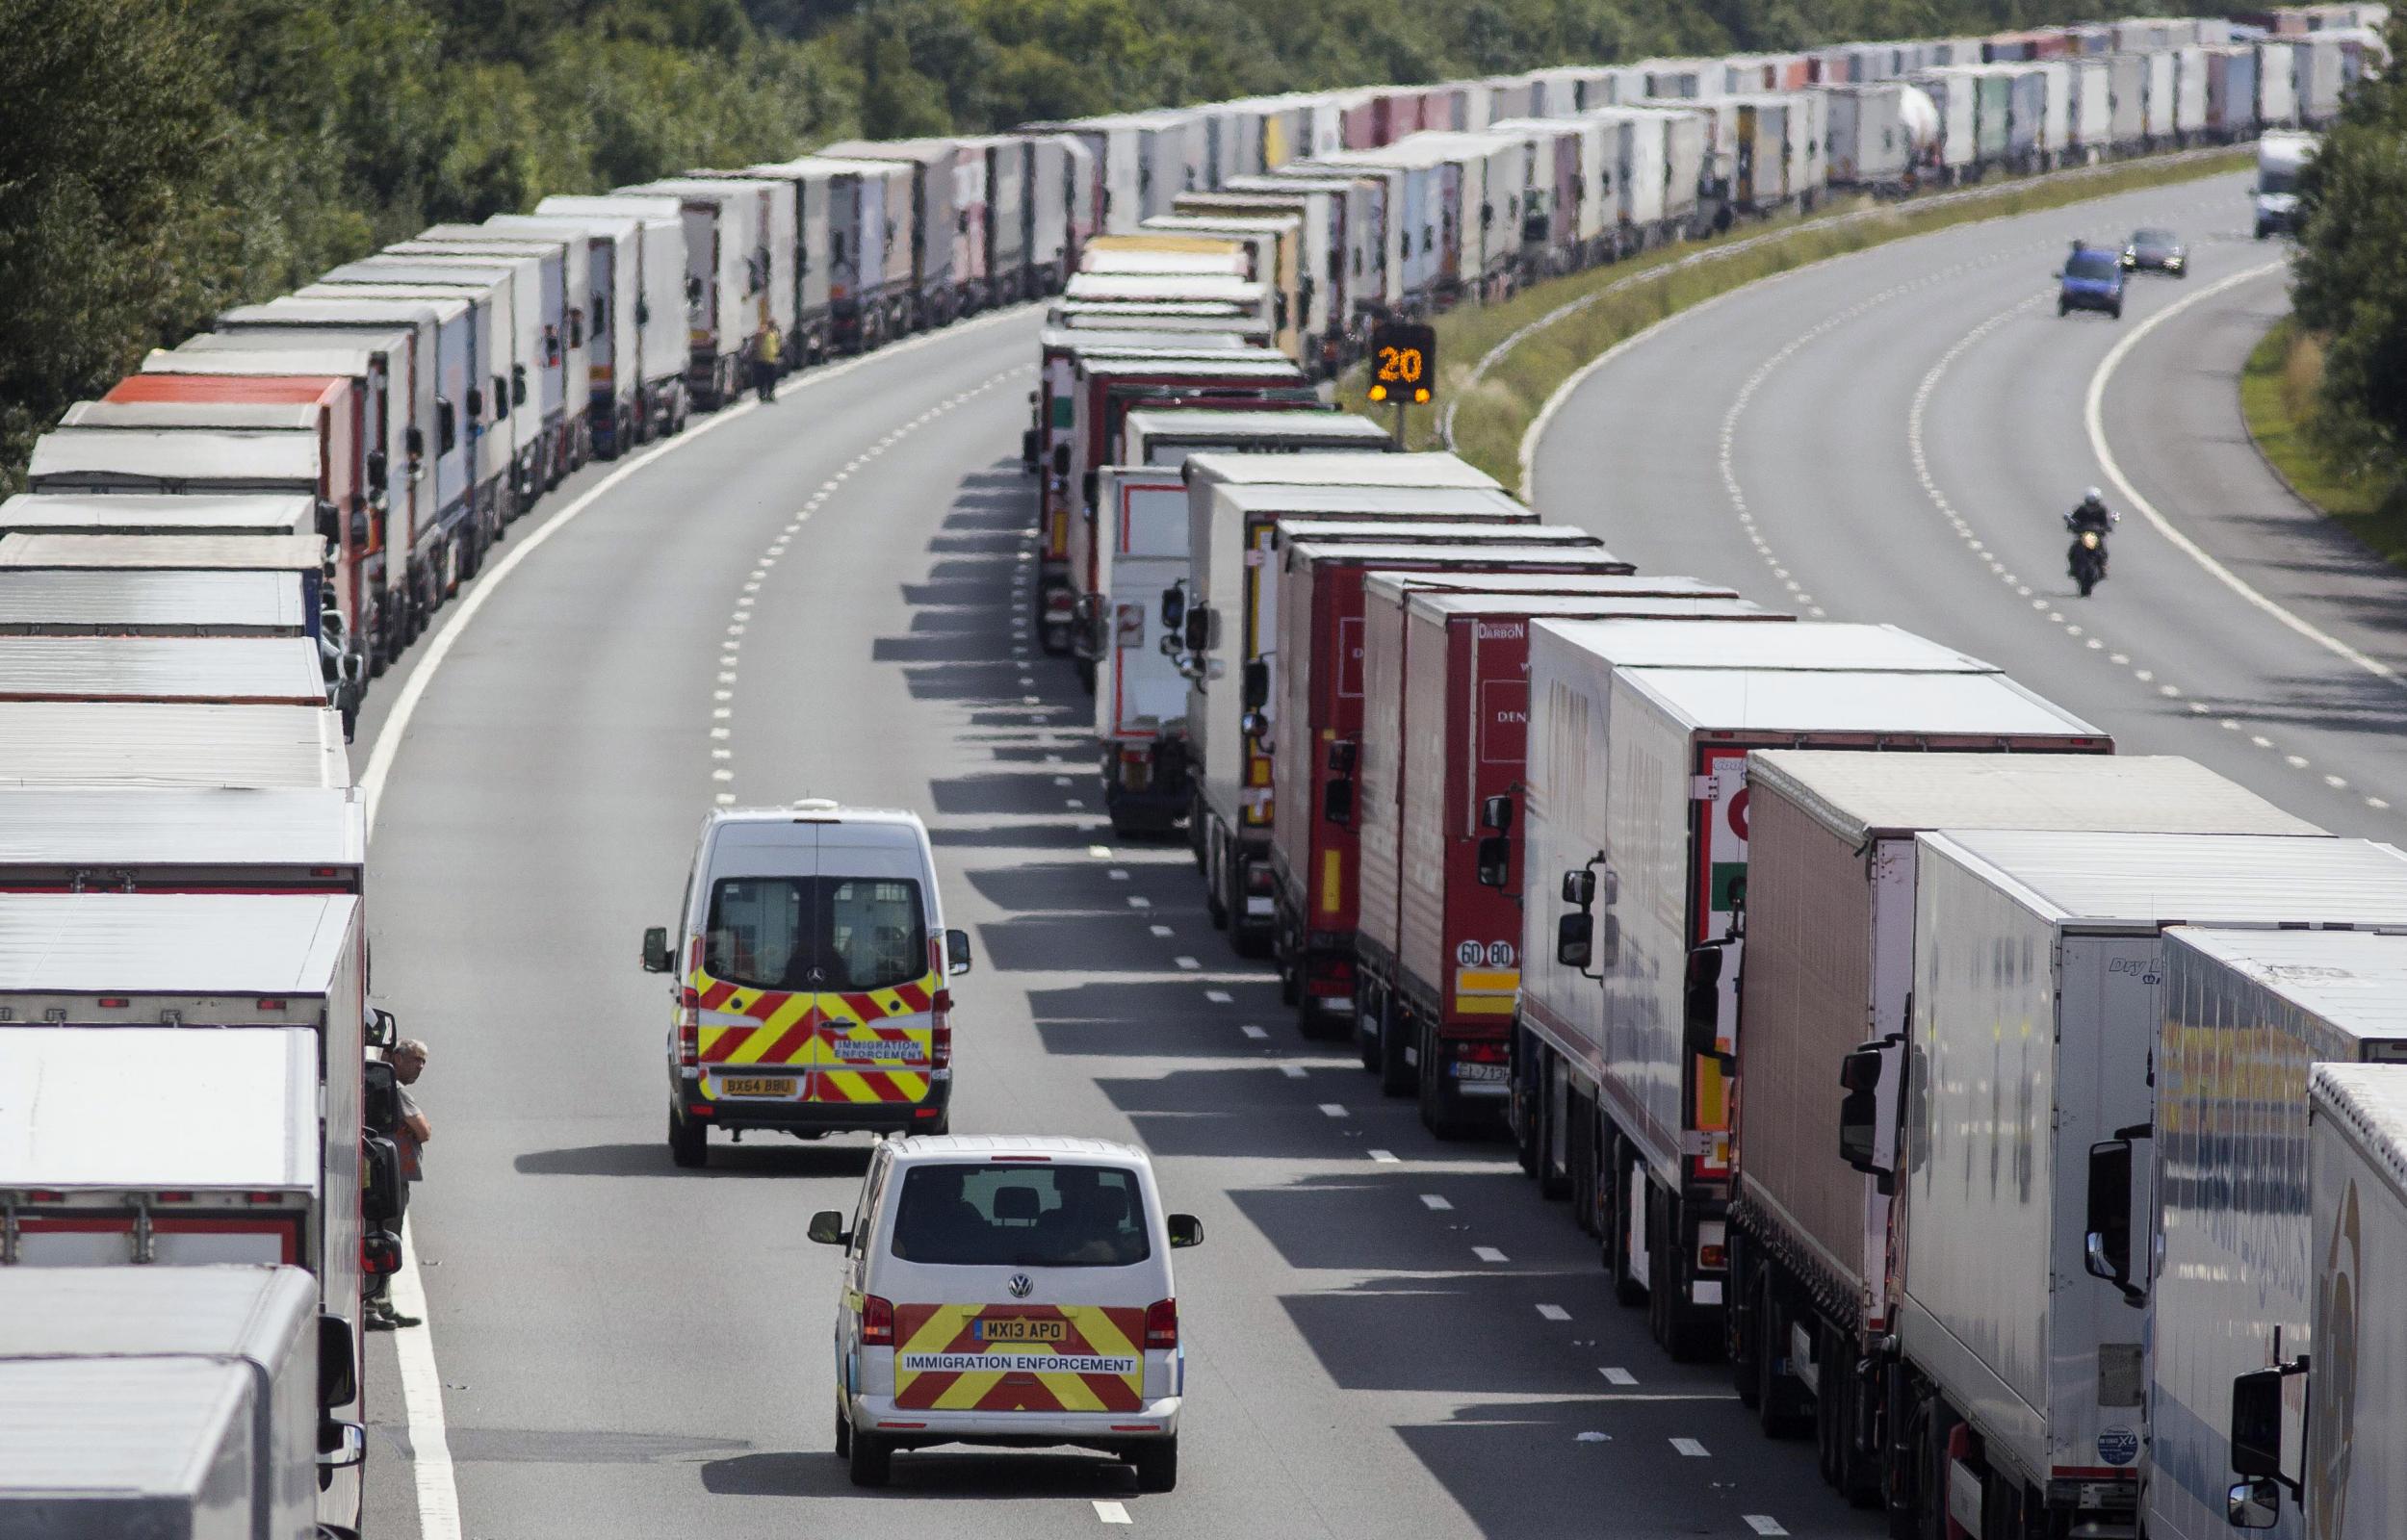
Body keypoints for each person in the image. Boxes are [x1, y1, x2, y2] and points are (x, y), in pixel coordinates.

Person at [367, 1039, 432, 1331]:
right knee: (385, 1240)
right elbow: (423, 1130)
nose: (420, 1066)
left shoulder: (387, 1087)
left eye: (424, 1061)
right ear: (397, 1058)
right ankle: (372, 1306)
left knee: (384, 1238)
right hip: (391, 1179)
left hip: (390, 1176)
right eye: (416, 1059)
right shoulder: (397, 1090)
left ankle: (382, 1304)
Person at [753, 321, 782, 404]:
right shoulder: (762, 333)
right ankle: (761, 395)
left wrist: (777, 354)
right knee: (762, 379)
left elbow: (778, 343)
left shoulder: (774, 334)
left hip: (772, 360)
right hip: (762, 360)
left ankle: (770, 394)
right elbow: (757, 343)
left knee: (771, 379)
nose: (772, 326)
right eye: (771, 325)